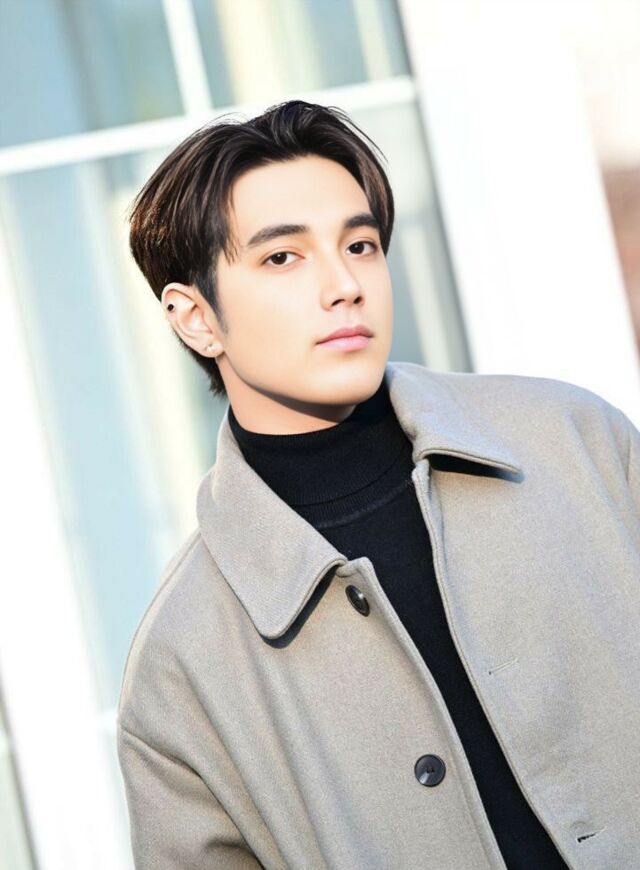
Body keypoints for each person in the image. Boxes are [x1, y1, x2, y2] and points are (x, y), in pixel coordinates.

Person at [117, 99, 640, 869]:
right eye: (283, 258)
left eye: (359, 245)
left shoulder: (577, 443)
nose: (344, 285)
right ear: (196, 318)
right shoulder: (181, 667)